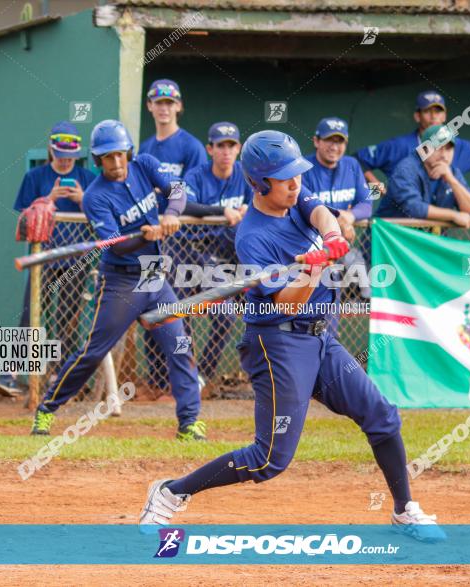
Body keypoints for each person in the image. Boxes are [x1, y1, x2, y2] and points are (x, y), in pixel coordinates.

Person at [138, 130, 446, 543]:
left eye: (296, 175)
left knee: (382, 417)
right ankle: (170, 492)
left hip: (321, 339)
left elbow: (320, 212)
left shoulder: (296, 198)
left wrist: (333, 236)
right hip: (278, 344)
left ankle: (404, 509)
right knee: (269, 459)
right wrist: (311, 271)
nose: (295, 184)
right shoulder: (253, 237)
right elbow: (285, 303)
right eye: (284, 179)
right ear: (259, 183)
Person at [30, 119, 206, 441]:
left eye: (120, 155)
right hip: (121, 281)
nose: (116, 163)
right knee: (93, 352)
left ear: (129, 152)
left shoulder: (146, 165)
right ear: (98, 160)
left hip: (154, 274)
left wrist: (171, 214)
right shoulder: (95, 197)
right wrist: (143, 234)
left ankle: (189, 423)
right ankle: (46, 410)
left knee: (179, 346)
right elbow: (117, 244)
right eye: (107, 157)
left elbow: (177, 190)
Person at [0, 121, 97, 398]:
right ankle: (10, 375)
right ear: (51, 148)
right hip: (43, 260)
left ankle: (61, 379)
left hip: (76, 260)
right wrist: (48, 199)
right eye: (60, 154)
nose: (64, 161)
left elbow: (102, 215)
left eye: (70, 156)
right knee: (30, 316)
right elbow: (24, 220)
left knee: (68, 320)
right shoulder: (36, 176)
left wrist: (83, 199)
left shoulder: (87, 178)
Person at [138, 79, 208, 393]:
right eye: (158, 102)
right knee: (147, 302)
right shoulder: (146, 148)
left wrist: (169, 199)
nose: (164, 107)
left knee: (178, 307)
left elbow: (192, 194)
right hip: (152, 238)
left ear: (178, 106)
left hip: (180, 236)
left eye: (170, 102)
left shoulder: (190, 146)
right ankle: (155, 377)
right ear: (150, 106)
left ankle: (185, 376)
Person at [181, 122, 253, 380]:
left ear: (239, 148)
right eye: (220, 145)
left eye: (231, 145)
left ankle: (203, 376)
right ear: (209, 149)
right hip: (193, 253)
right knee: (181, 318)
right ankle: (185, 378)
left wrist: (250, 209)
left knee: (226, 318)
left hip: (232, 256)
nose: (226, 151)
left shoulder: (245, 175)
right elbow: (183, 205)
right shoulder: (195, 175)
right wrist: (220, 211)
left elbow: (263, 199)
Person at [303, 116, 373, 330]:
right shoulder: (304, 169)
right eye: (329, 140)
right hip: (312, 249)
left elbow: (366, 203)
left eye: (340, 141)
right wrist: (340, 220)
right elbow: (304, 209)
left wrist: (349, 217)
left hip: (341, 248)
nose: (334, 147)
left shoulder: (351, 165)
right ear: (316, 141)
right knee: (324, 310)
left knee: (366, 281)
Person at [376, 125, 470, 227]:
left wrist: (452, 181)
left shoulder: (452, 172)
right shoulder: (406, 169)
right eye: (438, 148)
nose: (444, 155)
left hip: (422, 242)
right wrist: (454, 215)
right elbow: (414, 208)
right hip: (386, 240)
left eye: (448, 149)